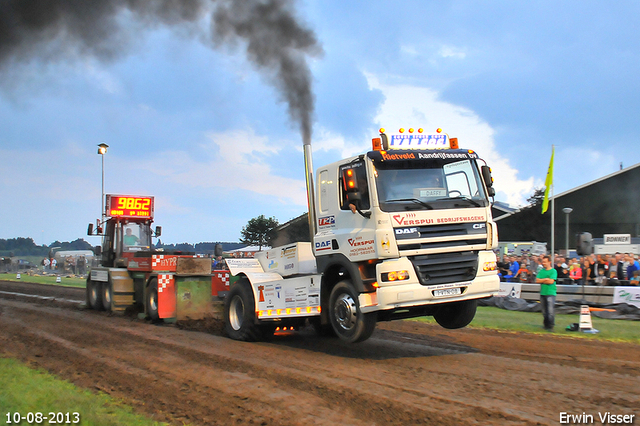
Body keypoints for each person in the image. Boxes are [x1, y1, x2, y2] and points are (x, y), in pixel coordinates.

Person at [536, 255, 558, 331]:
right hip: (543, 293)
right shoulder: (542, 271)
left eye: (545, 262)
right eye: (543, 262)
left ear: (549, 262)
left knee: (550, 311)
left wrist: (543, 280)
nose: (543, 263)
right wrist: (546, 279)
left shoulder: (553, 271)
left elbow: (551, 281)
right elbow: (537, 280)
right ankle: (546, 325)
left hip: (550, 293)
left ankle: (551, 326)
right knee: (544, 311)